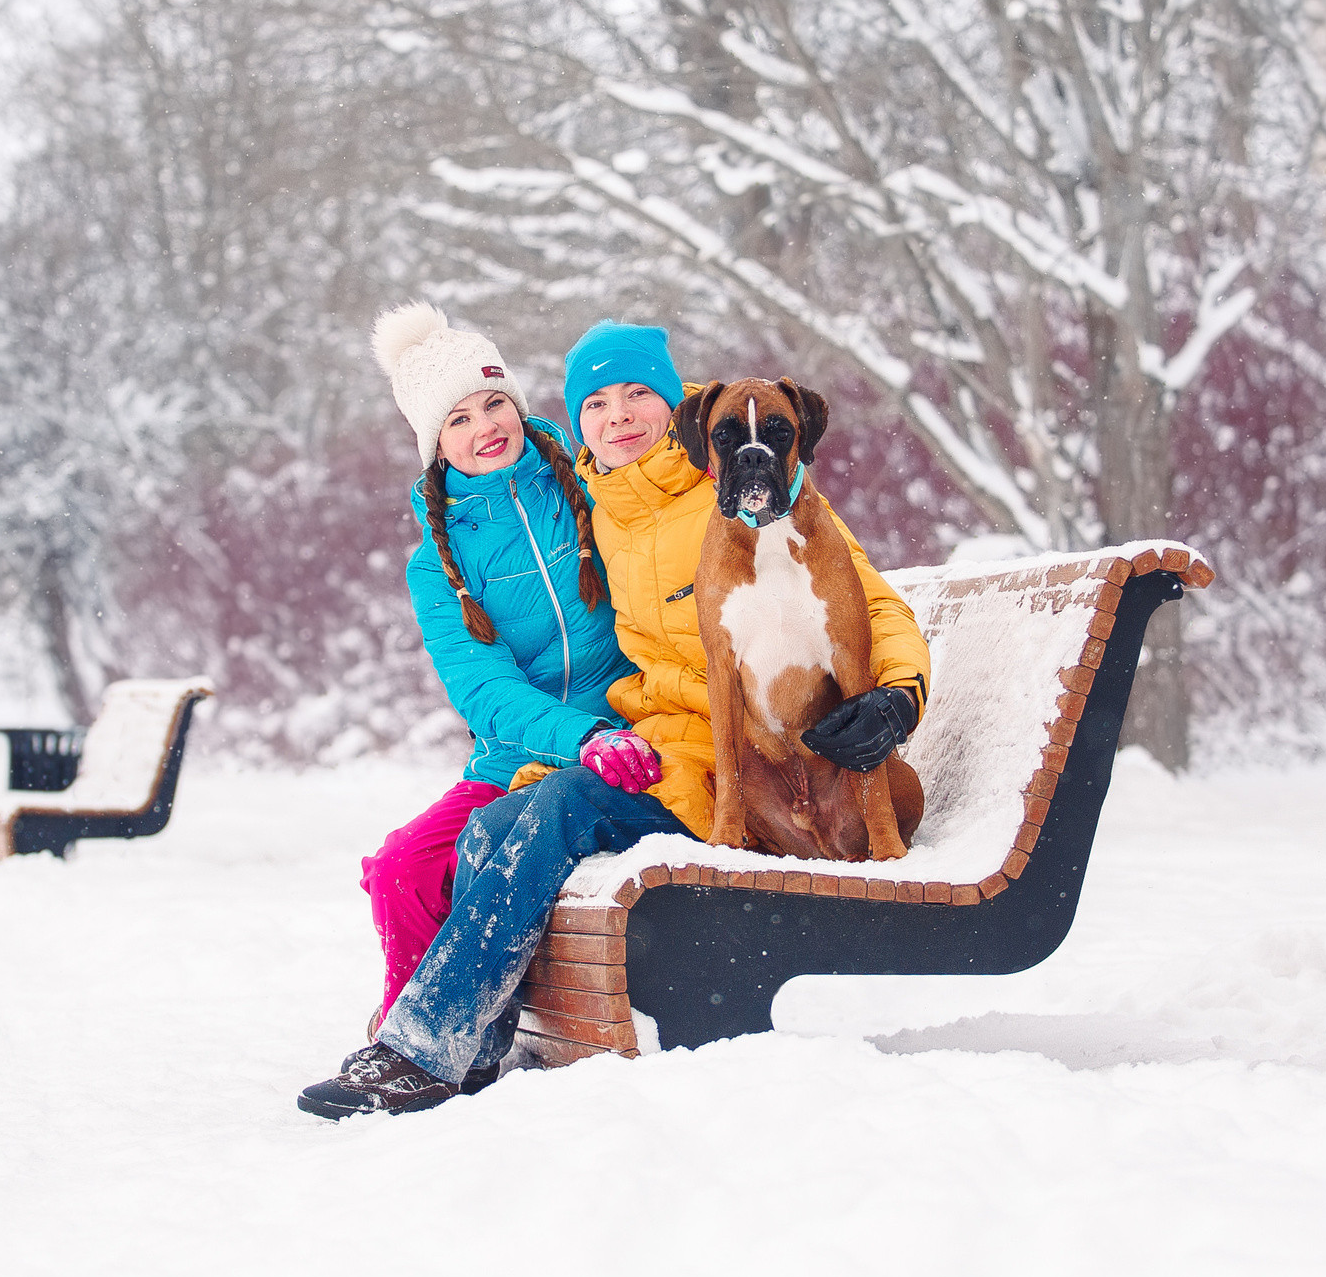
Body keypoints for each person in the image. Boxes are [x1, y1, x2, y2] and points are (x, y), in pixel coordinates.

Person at [298, 322, 930, 1119]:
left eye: (639, 393)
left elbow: (863, 595)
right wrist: (592, 736)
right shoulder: (598, 501)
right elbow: (488, 673)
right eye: (595, 402)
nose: (620, 415)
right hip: (657, 741)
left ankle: (420, 1048)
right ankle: (469, 1045)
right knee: (490, 828)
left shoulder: (737, 479)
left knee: (560, 810)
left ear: (680, 406)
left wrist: (900, 689)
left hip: (738, 765)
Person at [355, 302, 644, 1071]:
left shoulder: (587, 486)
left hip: (628, 737)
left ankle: (432, 1041)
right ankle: (415, 1033)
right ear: (435, 445)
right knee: (401, 867)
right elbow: (483, 688)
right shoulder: (437, 565)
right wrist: (579, 735)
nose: (486, 426)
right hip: (521, 755)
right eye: (459, 419)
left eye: (495, 403)